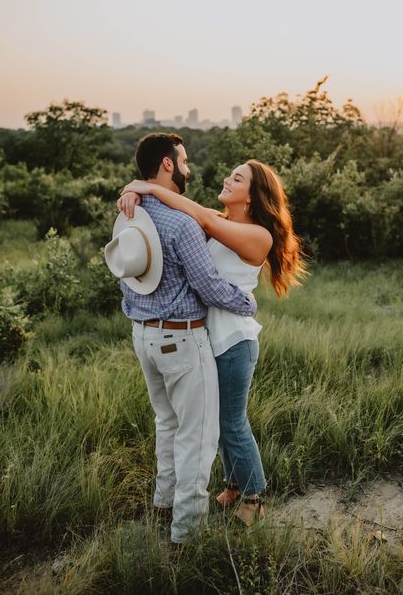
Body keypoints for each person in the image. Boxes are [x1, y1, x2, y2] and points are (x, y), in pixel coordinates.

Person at [119, 157, 306, 525]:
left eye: (237, 178)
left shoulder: (258, 235)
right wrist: (131, 190)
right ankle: (233, 485)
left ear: (252, 197)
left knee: (232, 422)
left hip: (234, 342)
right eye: (230, 173)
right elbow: (187, 211)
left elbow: (198, 217)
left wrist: (150, 187)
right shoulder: (221, 221)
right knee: (213, 421)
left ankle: (254, 495)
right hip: (209, 339)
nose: (227, 179)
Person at [115, 133, 257, 544]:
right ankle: (186, 535)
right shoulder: (181, 224)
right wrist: (246, 302)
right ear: (166, 165)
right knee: (197, 438)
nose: (189, 168)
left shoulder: (128, 214)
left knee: (167, 424)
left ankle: (163, 506)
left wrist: (131, 190)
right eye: (184, 161)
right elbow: (211, 288)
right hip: (181, 340)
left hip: (142, 337)